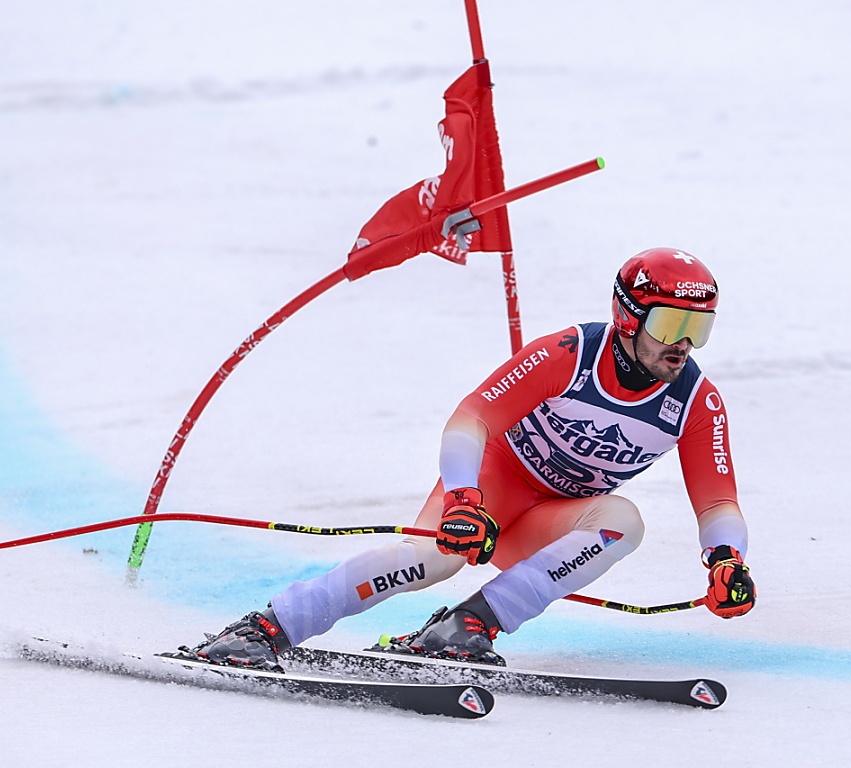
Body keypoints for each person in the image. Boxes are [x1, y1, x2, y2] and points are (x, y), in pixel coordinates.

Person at [184, 247, 755, 670]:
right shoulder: (571, 353)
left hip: (548, 520)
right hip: (489, 488)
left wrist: (726, 561)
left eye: (697, 327)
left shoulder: (696, 402)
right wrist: (463, 497)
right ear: (629, 317)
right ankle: (266, 628)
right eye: (670, 324)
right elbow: (471, 419)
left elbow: (718, 501)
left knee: (623, 522)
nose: (684, 343)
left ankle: (468, 624)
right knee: (433, 558)